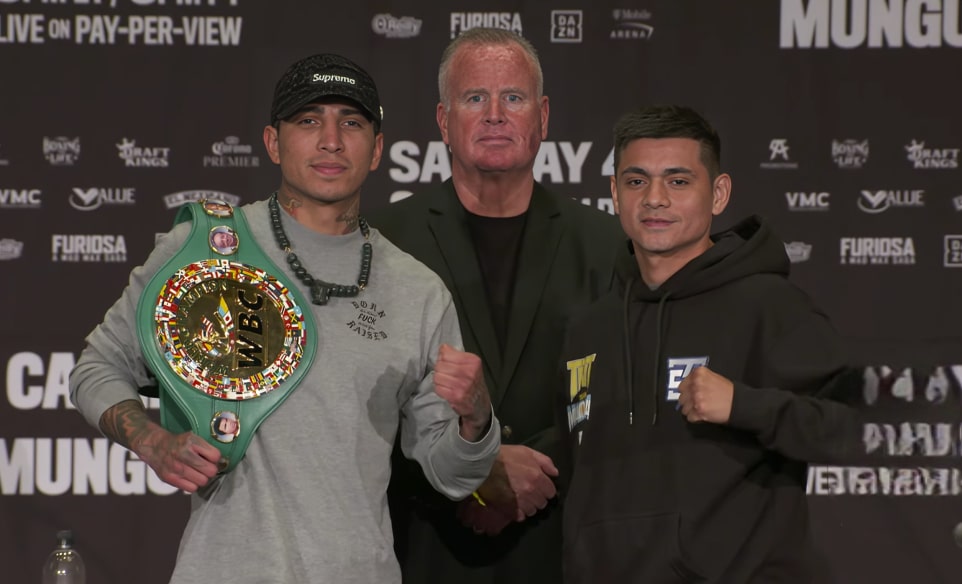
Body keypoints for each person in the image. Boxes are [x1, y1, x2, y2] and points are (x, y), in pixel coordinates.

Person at [69, 53, 500, 584]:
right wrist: (152, 440)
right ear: (274, 142)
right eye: (308, 120)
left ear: (377, 149)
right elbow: (96, 368)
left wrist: (476, 420)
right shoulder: (205, 249)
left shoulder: (418, 291)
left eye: (352, 122)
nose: (331, 140)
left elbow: (453, 474)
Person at [558, 104, 862, 583]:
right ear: (614, 194)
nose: (654, 199)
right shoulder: (588, 328)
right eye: (636, 181)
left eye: (678, 181)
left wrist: (745, 405)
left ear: (718, 194)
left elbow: (854, 431)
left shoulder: (769, 304)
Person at [367, 28, 624, 584]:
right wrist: (480, 470)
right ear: (443, 121)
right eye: (474, 98)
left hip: (563, 544)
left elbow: (621, 390)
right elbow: (361, 398)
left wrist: (526, 475)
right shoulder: (383, 243)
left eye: (513, 97)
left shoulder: (606, 244)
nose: (495, 115)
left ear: (544, 116)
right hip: (424, 545)